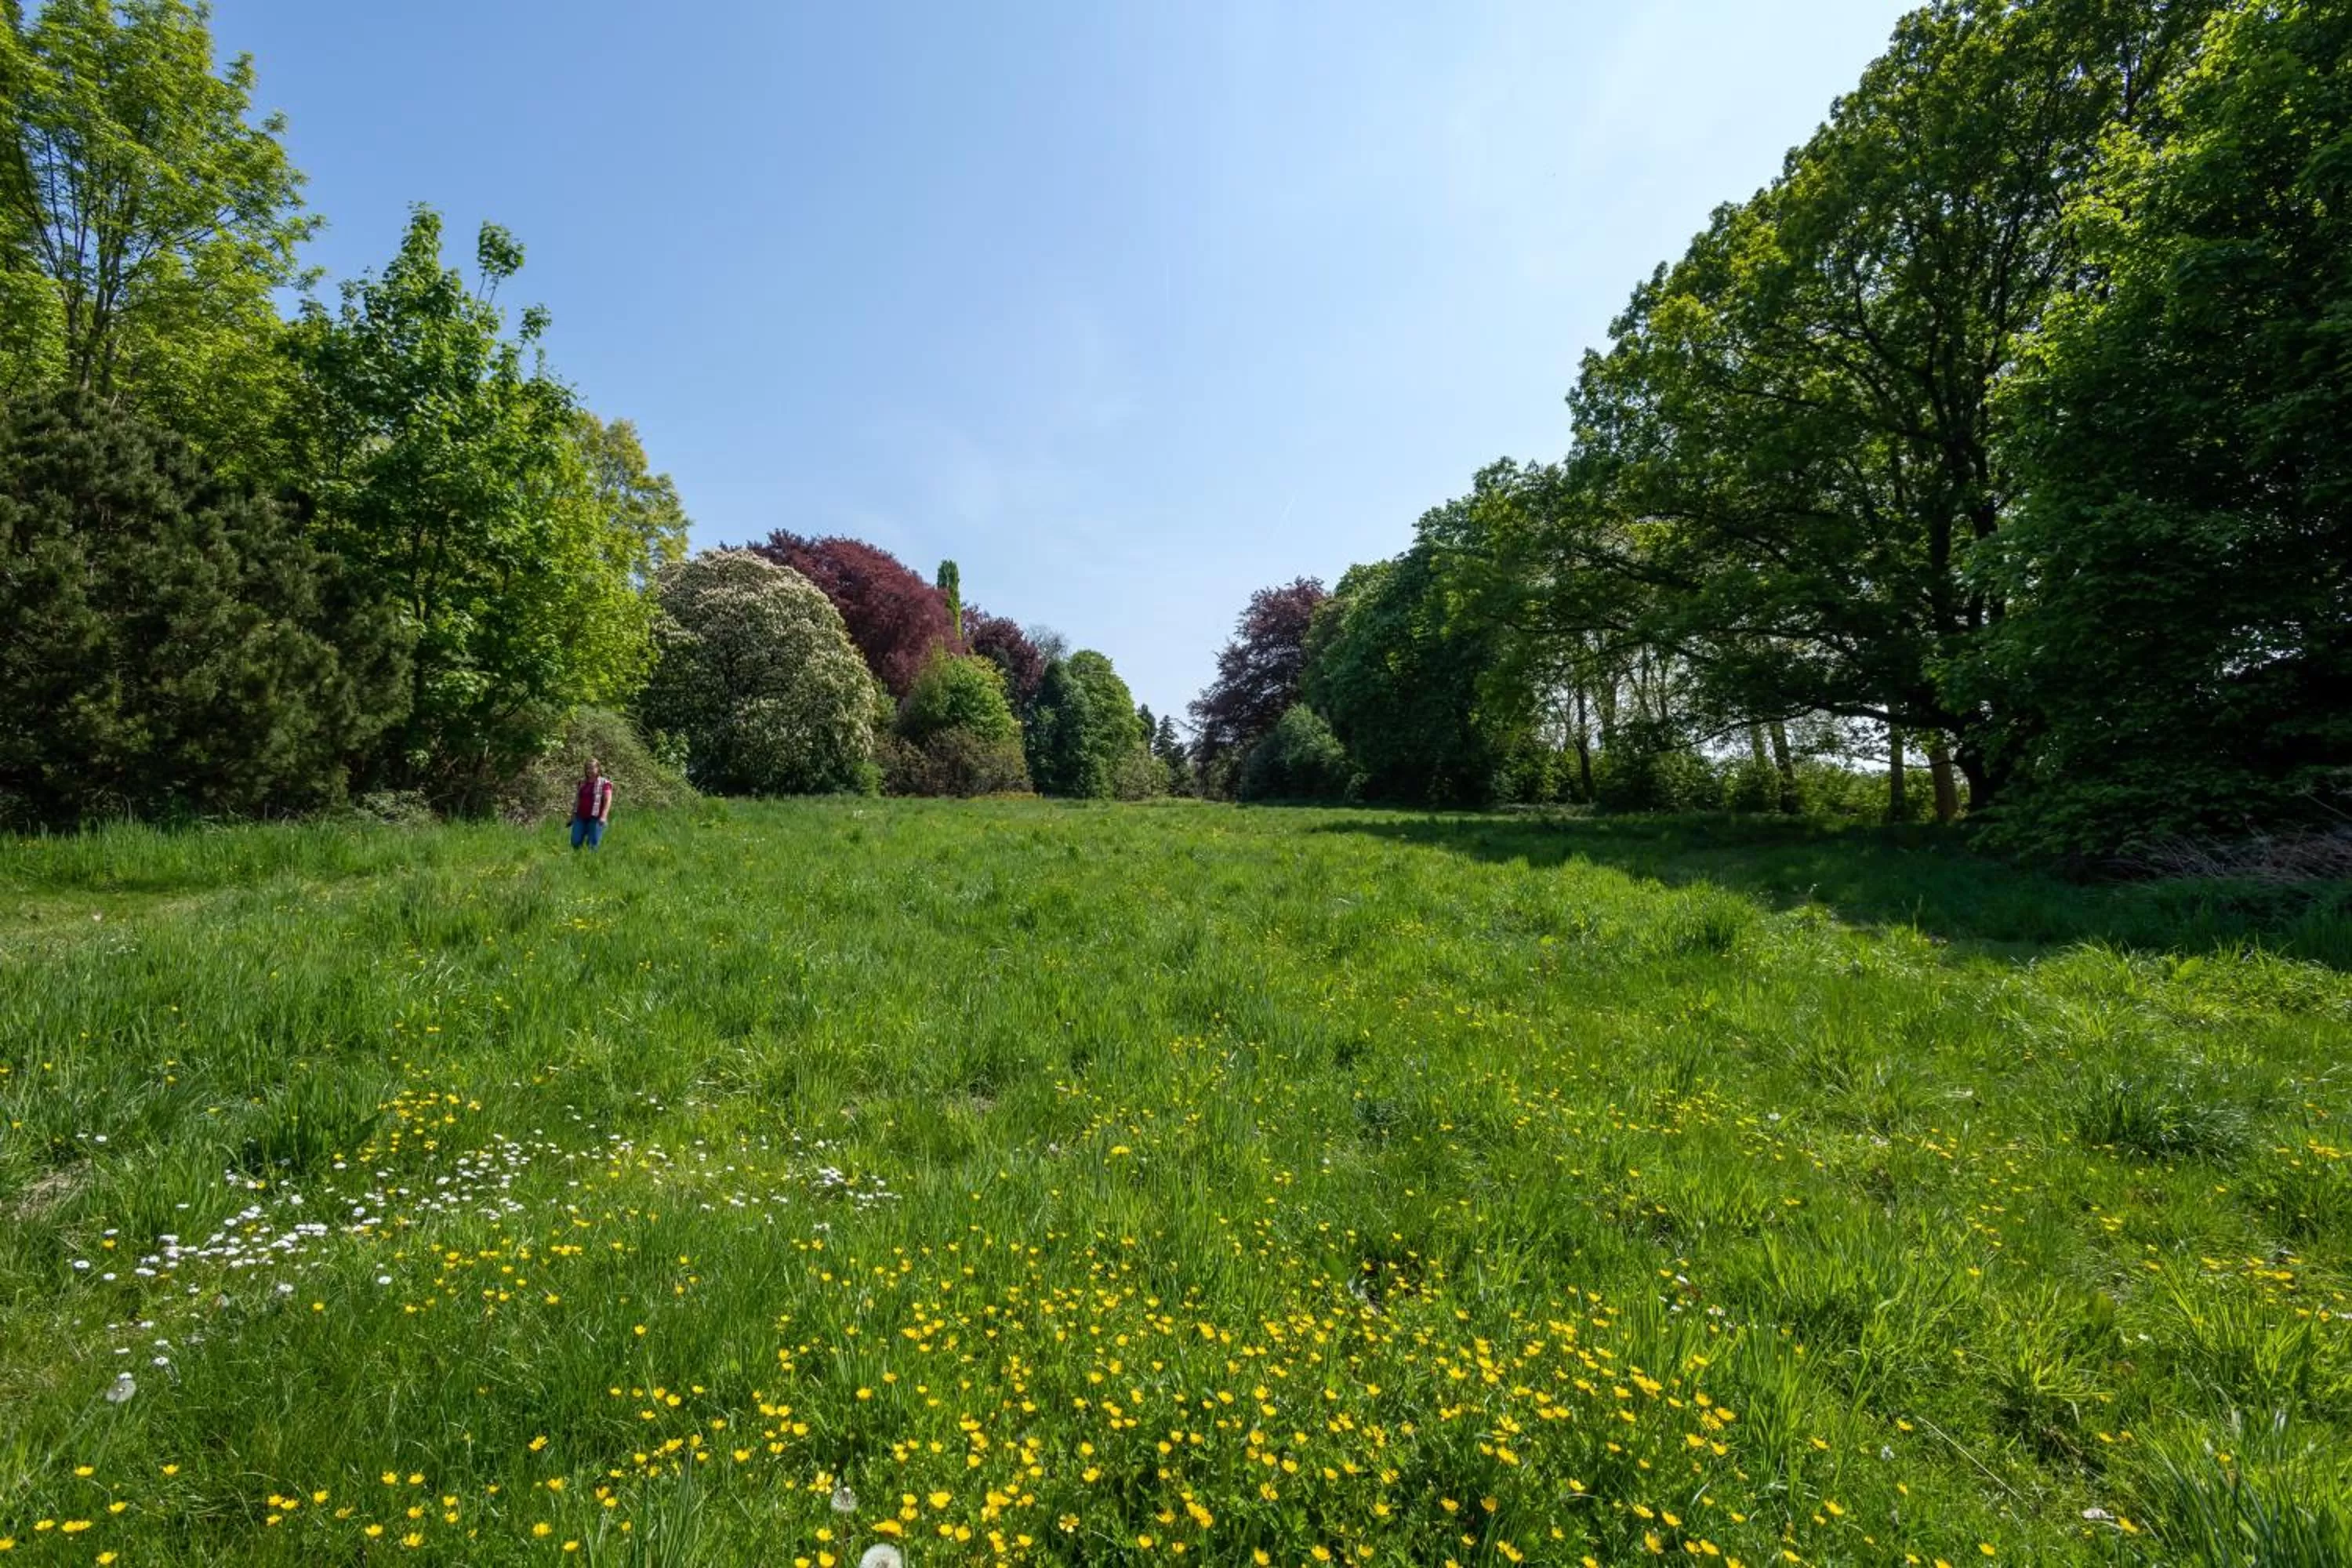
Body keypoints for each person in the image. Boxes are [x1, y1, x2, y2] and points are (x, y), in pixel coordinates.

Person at [570, 759, 615, 851]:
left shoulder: (605, 783)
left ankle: (590, 862)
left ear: (598, 768)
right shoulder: (582, 783)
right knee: (575, 841)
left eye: (592, 768)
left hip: (596, 817)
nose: (589, 770)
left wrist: (604, 816)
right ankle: (576, 859)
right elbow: (577, 799)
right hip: (581, 816)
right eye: (587, 768)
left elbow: (608, 800)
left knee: (593, 844)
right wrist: (573, 815)